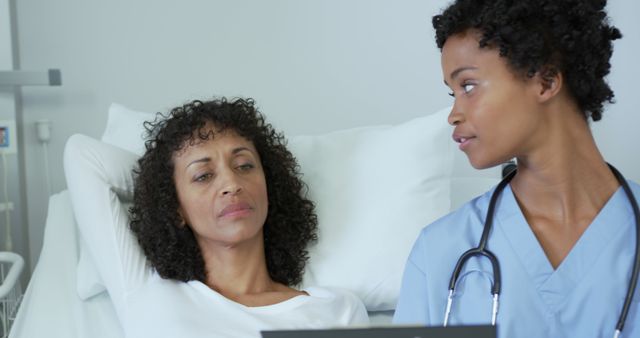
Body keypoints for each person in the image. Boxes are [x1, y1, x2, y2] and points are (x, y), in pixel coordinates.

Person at [393, 0, 639, 337]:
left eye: (468, 86)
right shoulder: (439, 251)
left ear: (546, 81)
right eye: (452, 92)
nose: (453, 114)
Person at [64, 98, 368, 338]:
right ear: (175, 208)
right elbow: (82, 156)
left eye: (244, 166)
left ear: (269, 185)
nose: (231, 185)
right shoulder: (148, 293)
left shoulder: (337, 311)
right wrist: (162, 185)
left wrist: (185, 183)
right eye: (204, 175)